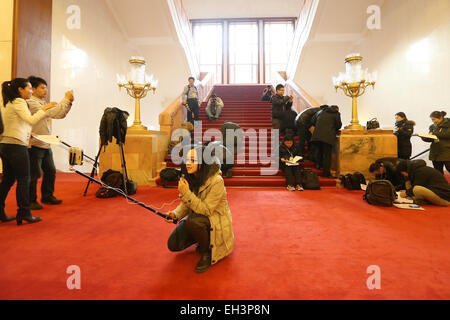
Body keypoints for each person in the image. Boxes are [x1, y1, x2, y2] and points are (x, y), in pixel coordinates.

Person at [166, 145, 234, 273]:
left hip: (215, 221)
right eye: (187, 160)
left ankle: (207, 251)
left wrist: (186, 193)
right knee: (173, 244)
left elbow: (207, 210)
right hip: (199, 217)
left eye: (192, 160)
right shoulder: (192, 176)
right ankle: (201, 237)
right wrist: (175, 214)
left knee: (193, 221)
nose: (188, 164)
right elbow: (187, 204)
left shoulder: (216, 181)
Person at [0, 78, 57, 225]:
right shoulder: (19, 102)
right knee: (24, 179)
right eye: (29, 88)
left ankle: (1, 211)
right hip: (16, 146)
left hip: (5, 144)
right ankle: (24, 212)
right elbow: (31, 120)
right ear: (20, 89)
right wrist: (44, 109)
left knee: (8, 179)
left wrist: (28, 133)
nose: (31, 91)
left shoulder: (8, 101)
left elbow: (18, 123)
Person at [27, 76, 74, 210]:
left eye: (46, 87)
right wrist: (65, 99)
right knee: (34, 174)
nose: (45, 90)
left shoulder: (42, 102)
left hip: (46, 142)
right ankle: (31, 201)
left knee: (51, 170)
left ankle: (47, 196)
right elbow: (54, 111)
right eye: (42, 87)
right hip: (35, 143)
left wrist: (69, 102)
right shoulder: (31, 102)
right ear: (33, 89)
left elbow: (59, 114)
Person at [310, 105, 342, 178]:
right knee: (327, 156)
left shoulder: (320, 112)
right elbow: (338, 125)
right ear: (337, 109)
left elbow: (312, 121)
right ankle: (326, 173)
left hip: (317, 136)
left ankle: (318, 166)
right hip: (328, 136)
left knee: (319, 151)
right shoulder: (336, 113)